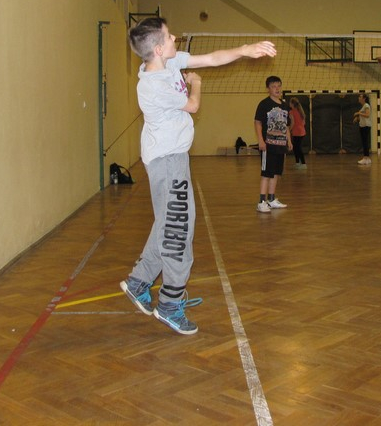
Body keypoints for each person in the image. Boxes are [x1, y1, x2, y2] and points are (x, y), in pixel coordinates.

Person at [120, 17, 276, 334]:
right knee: (178, 229)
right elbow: (192, 105)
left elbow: (211, 58)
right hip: (167, 162)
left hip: (171, 158)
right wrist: (197, 84)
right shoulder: (154, 85)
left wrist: (245, 50)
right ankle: (170, 303)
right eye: (169, 35)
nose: (175, 37)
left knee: (167, 222)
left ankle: (139, 281)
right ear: (158, 48)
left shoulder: (166, 61)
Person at [255, 76, 292, 213]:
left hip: (280, 145)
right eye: (273, 86)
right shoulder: (264, 104)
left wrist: (289, 140)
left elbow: (286, 125)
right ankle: (261, 202)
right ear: (268, 89)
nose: (277, 89)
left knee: (276, 173)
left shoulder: (284, 105)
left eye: (278, 86)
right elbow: (257, 122)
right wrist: (260, 140)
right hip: (268, 145)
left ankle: (271, 199)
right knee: (267, 173)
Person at [353, 93, 372, 165]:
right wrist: (357, 118)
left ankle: (366, 158)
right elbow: (363, 116)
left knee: (365, 142)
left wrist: (358, 113)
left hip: (366, 126)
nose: (359, 98)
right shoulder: (363, 106)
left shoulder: (366, 105)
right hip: (363, 126)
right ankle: (367, 159)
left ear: (364, 98)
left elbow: (367, 115)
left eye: (360, 97)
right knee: (364, 142)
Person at [288, 97, 307, 169]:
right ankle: (298, 163)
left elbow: (292, 123)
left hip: (297, 132)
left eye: (290, 102)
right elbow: (304, 123)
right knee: (296, 148)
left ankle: (303, 164)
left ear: (292, 104)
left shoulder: (292, 112)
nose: (289, 104)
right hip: (302, 132)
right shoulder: (301, 111)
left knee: (297, 148)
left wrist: (288, 130)